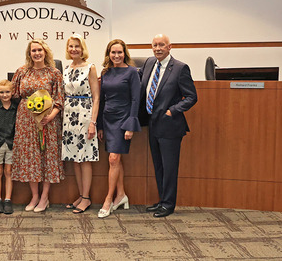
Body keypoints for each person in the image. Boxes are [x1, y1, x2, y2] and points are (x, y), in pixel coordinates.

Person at [139, 34, 197, 218]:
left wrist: (172, 110)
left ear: (169, 47)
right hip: (152, 124)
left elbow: (191, 97)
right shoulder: (149, 63)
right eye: (155, 45)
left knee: (170, 167)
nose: (158, 48)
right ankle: (162, 200)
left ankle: (169, 204)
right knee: (158, 166)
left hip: (170, 126)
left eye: (161, 45)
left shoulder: (180, 68)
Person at [11, 39, 64, 213]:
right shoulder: (22, 71)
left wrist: (50, 117)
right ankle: (34, 196)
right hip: (26, 121)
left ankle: (44, 196)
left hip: (47, 120)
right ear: (29, 53)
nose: (37, 53)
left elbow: (59, 99)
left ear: (45, 52)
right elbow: (14, 94)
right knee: (30, 157)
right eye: (33, 50)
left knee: (46, 156)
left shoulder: (54, 73)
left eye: (39, 50)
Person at [97, 39, 141, 219]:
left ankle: (108, 199)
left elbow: (135, 100)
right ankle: (121, 195)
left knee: (113, 158)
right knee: (116, 159)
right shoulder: (105, 72)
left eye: (119, 52)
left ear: (125, 54)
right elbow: (102, 100)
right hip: (108, 118)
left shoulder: (132, 72)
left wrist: (130, 125)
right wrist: (99, 125)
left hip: (123, 119)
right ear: (108, 54)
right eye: (113, 52)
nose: (116, 55)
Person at [61, 34, 100, 214]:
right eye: (71, 46)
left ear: (82, 48)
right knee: (74, 159)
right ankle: (80, 195)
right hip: (69, 116)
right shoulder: (67, 68)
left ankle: (86, 197)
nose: (74, 49)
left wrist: (93, 122)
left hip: (85, 115)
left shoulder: (90, 67)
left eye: (77, 46)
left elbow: (96, 97)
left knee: (85, 159)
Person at [0, 79, 18, 215]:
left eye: (7, 92)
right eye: (2, 92)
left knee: (9, 171)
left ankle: (7, 200)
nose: (5, 95)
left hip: (12, 143)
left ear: (12, 93)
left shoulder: (16, 108)